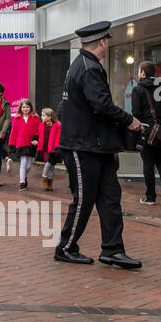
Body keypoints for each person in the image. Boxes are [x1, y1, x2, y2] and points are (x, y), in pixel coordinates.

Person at [54, 20, 145, 268]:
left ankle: (113, 250)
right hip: (84, 147)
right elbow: (102, 105)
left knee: (110, 198)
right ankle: (66, 247)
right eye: (107, 43)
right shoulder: (88, 68)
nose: (107, 47)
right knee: (84, 199)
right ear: (102, 42)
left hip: (96, 145)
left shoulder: (84, 65)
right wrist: (129, 120)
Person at [130, 61, 161, 205]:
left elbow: (136, 113)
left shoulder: (138, 89)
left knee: (148, 163)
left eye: (139, 71)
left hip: (147, 130)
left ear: (143, 73)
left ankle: (150, 197)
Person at [10, 99, 41, 191]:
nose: (25, 109)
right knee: (23, 164)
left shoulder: (35, 118)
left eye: (27, 107)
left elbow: (38, 131)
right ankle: (22, 182)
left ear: (30, 108)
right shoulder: (17, 119)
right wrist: (12, 145)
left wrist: (36, 140)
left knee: (29, 165)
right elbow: (13, 133)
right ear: (21, 108)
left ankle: (24, 176)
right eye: (23, 107)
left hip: (31, 144)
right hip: (21, 144)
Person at [34, 107, 62, 190]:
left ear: (50, 117)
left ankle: (50, 184)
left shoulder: (57, 126)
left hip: (53, 150)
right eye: (42, 115)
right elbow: (38, 135)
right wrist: (36, 141)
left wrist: (56, 149)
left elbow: (58, 138)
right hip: (44, 148)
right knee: (48, 164)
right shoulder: (41, 125)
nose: (42, 117)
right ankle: (44, 178)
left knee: (51, 166)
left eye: (43, 115)